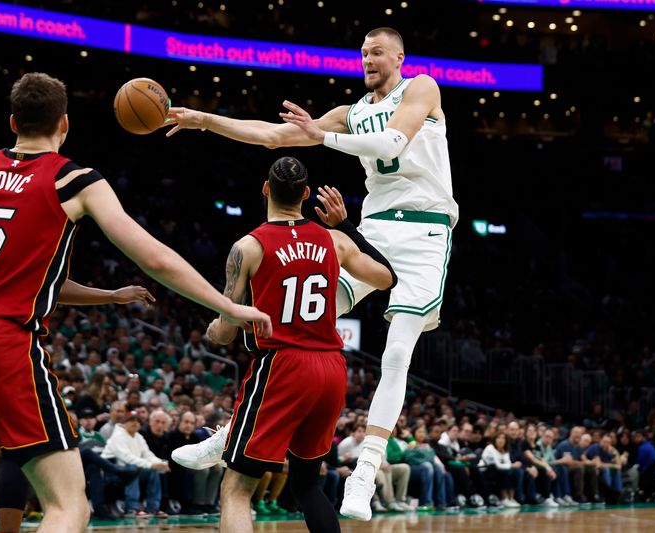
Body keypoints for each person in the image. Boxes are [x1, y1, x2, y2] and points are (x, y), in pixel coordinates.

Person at [0, 72, 272, 533]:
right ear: (64, 124)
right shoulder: (75, 180)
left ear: (12, 121)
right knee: (69, 507)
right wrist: (232, 307)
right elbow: (154, 257)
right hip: (2, 343)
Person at [167, 26, 456, 520]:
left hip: (426, 232)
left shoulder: (422, 87)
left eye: (377, 51)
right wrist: (205, 120)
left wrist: (322, 136)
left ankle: (365, 473)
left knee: (398, 350)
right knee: (295, 315)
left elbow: (390, 144)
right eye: (363, 52)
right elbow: (274, 136)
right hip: (376, 232)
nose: (368, 58)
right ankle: (233, 433)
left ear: (400, 56)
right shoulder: (351, 112)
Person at [177, 157, 394, 533]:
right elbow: (386, 277)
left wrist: (212, 330)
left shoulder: (248, 247)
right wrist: (345, 225)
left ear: (265, 189)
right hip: (330, 367)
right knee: (306, 483)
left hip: (282, 364)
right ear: (307, 194)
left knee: (236, 487)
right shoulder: (334, 239)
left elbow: (227, 332)